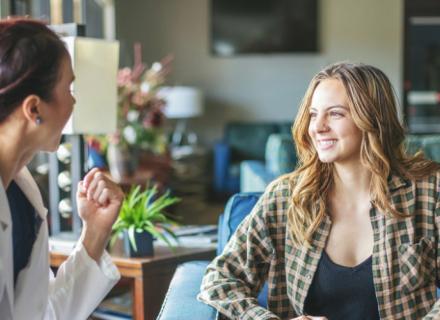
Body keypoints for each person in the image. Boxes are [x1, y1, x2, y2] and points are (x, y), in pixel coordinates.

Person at [198, 62, 440, 320]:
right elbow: (220, 279)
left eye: (335, 114)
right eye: (314, 114)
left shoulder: (428, 191)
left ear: (372, 118)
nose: (317, 127)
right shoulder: (285, 199)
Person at [0, 18, 125, 319]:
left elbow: (42, 313)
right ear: (34, 109)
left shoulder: (21, 197)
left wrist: (95, 232)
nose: (73, 101)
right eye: (69, 87)